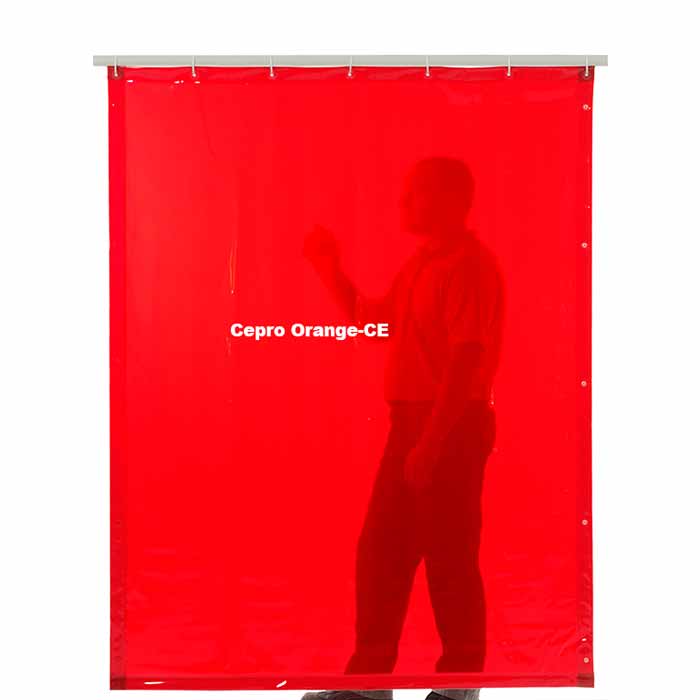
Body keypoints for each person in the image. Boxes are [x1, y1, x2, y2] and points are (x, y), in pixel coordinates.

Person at [302, 157, 505, 700]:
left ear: (449, 200)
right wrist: (327, 267)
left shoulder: (470, 268)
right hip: (413, 423)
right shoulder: (421, 266)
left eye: (415, 193)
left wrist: (432, 442)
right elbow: (374, 322)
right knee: (382, 553)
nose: (403, 202)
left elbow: (466, 362)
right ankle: (370, 684)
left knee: (449, 557)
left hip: (450, 425)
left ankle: (460, 687)